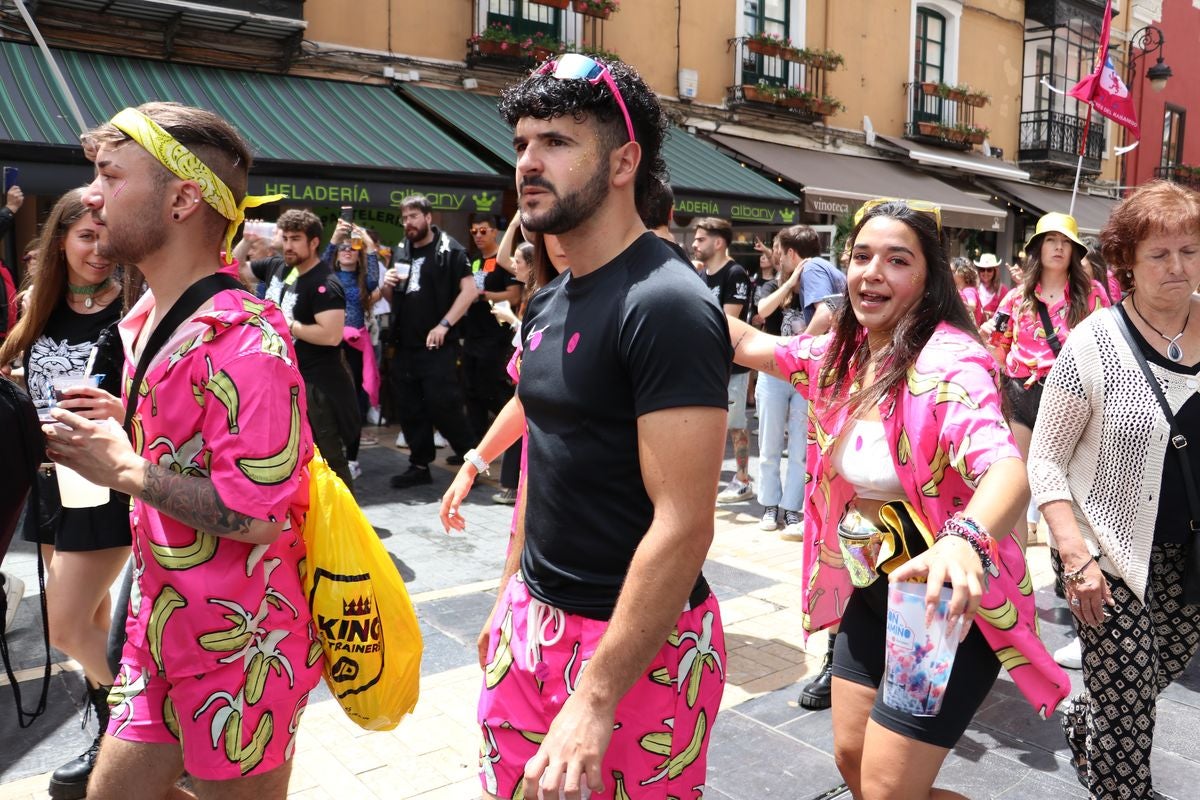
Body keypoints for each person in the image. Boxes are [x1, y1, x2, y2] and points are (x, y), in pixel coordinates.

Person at [726, 198, 1069, 798]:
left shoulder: (951, 362)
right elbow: (752, 345)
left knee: (887, 790)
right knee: (854, 762)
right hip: (871, 585)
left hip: (942, 605)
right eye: (861, 256)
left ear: (929, 276)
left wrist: (965, 540)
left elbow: (1006, 468)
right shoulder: (842, 354)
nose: (871, 272)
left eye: (897, 259)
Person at [46, 101, 321, 799]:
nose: (93, 196)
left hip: (242, 655)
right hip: (156, 637)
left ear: (183, 197)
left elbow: (255, 514)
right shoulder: (162, 319)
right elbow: (193, 447)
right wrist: (125, 423)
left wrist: (126, 467)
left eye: (111, 176)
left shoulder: (246, 340)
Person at [473, 53, 731, 799]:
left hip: (637, 648)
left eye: (555, 142)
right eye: (522, 143)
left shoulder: (667, 303)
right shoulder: (551, 301)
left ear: (623, 162)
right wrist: (506, 596)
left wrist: (595, 696)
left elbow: (685, 524)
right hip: (532, 622)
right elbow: (546, 468)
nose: (528, 162)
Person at [1028, 180, 1200, 799]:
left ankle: (1086, 724)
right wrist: (1076, 558)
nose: (1178, 266)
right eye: (1160, 254)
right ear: (1126, 261)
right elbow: (1044, 460)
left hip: (1189, 561)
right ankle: (1122, 785)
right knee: (1129, 700)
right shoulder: (1094, 342)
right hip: (1105, 557)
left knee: (1145, 678)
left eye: (1190, 250)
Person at [0, 186, 132, 799]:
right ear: (60, 240)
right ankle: (113, 737)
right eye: (86, 236)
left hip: (105, 486)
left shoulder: (134, 312)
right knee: (95, 621)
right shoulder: (38, 303)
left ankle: (139, 730)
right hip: (48, 483)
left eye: (108, 237)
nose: (100, 249)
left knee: (63, 624)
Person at [991, 212, 1109, 545]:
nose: (1057, 248)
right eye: (1050, 241)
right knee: (1017, 483)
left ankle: (1066, 569)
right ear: (1038, 248)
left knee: (1066, 487)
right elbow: (998, 346)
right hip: (1019, 394)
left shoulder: (1092, 294)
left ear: (1074, 251)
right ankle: (1018, 574)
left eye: (1065, 242)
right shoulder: (1017, 297)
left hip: (1070, 396)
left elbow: (1107, 344)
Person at [243, 209, 359, 489]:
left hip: (315, 386)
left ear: (314, 242)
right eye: (285, 238)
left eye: (295, 239)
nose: (288, 245)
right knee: (292, 459)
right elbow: (234, 270)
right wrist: (246, 242)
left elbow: (331, 336)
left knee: (328, 461)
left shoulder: (325, 284)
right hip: (281, 383)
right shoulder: (282, 267)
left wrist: (287, 323)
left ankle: (346, 526)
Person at [381, 194, 477, 488]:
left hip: (437, 346)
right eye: (404, 218)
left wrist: (444, 324)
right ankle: (419, 465)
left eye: (413, 216)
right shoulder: (401, 250)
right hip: (405, 344)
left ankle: (472, 461)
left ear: (428, 217)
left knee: (444, 405)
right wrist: (386, 287)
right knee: (410, 408)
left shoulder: (450, 250)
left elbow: (470, 291)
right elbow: (395, 299)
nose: (407, 223)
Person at [692, 216, 753, 504]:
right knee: (710, 424)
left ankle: (742, 479)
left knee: (735, 424)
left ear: (718, 242)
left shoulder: (735, 273)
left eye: (701, 238)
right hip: (706, 364)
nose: (694, 243)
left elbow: (729, 322)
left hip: (733, 366)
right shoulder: (701, 276)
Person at [325, 220, 381, 478]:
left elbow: (374, 275)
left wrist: (366, 241)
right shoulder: (328, 276)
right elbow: (322, 262)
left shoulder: (363, 281)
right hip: (329, 347)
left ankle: (354, 458)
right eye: (343, 248)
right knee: (327, 402)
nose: (347, 250)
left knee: (353, 403)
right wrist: (335, 239)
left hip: (356, 348)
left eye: (352, 248)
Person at [974, 252, 1004, 319]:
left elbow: (1005, 314)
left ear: (995, 271)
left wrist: (989, 314)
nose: (985, 273)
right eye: (982, 270)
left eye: (989, 270)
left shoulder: (1002, 290)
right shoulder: (974, 288)